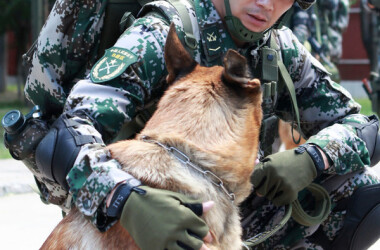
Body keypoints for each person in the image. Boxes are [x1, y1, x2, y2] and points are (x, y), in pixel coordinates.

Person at [9, 0, 380, 249]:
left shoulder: (279, 48)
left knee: (363, 197)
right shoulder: (165, 30)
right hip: (142, 215)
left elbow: (363, 127)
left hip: (230, 206)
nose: (266, 3)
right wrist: (127, 202)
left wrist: (310, 159)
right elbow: (65, 137)